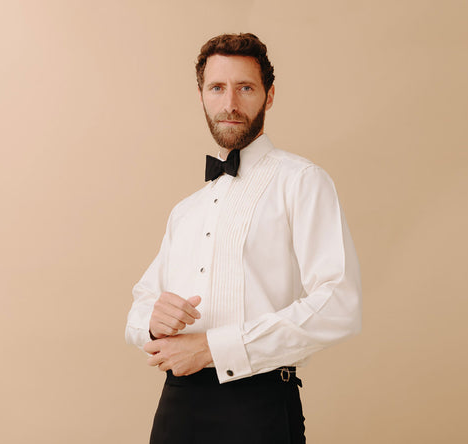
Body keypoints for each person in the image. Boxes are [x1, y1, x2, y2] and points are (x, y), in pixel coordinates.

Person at [125, 33, 362, 444]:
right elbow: (141, 304)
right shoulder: (186, 210)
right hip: (177, 405)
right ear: (202, 96)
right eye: (217, 88)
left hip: (258, 404)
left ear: (269, 96)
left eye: (245, 88)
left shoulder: (302, 181)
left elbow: (339, 304)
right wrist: (150, 320)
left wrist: (214, 348)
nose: (230, 103)